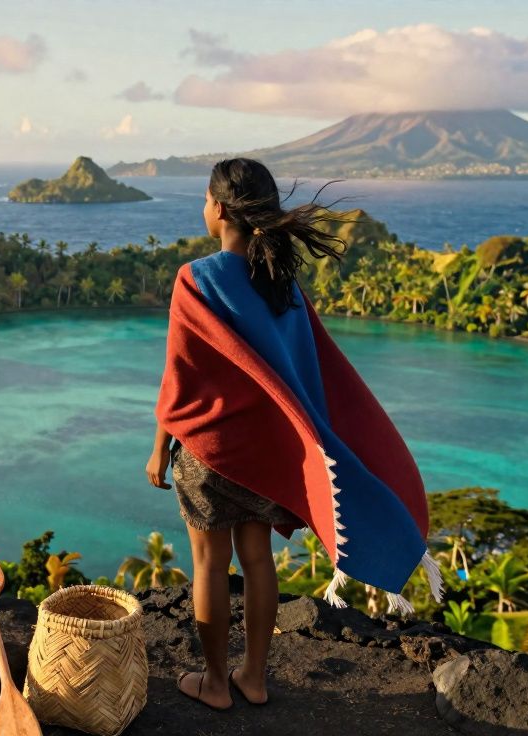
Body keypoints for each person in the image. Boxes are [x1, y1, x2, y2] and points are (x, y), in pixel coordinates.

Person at [147, 158, 439, 710]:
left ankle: (214, 683)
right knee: (257, 560)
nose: (203, 208)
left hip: (208, 451)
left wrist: (160, 447)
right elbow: (307, 371)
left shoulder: (196, 279)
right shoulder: (283, 286)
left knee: (210, 564)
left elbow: (179, 378)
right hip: (264, 456)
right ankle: (253, 678)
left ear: (221, 210)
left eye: (205, 199)